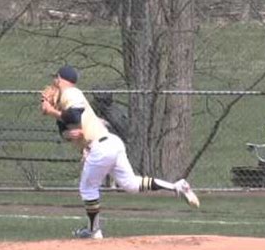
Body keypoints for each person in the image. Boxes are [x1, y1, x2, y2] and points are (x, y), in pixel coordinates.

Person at [41, 65, 200, 239]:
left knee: (87, 189)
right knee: (130, 184)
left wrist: (51, 112)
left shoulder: (71, 93)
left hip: (101, 147)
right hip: (111, 143)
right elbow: (67, 128)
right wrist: (66, 130)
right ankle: (177, 186)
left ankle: (94, 230)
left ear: (61, 79)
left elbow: (73, 117)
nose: (54, 82)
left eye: (56, 78)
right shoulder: (64, 100)